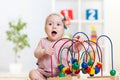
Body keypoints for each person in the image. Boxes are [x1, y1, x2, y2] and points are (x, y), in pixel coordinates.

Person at [29, 13, 82, 80]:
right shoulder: (43, 41)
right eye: (50, 24)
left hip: (63, 72)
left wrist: (79, 44)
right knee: (32, 73)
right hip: (44, 73)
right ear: (45, 28)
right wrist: (43, 51)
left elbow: (76, 50)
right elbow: (36, 54)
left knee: (74, 74)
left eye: (58, 24)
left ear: (63, 30)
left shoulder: (66, 41)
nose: (54, 27)